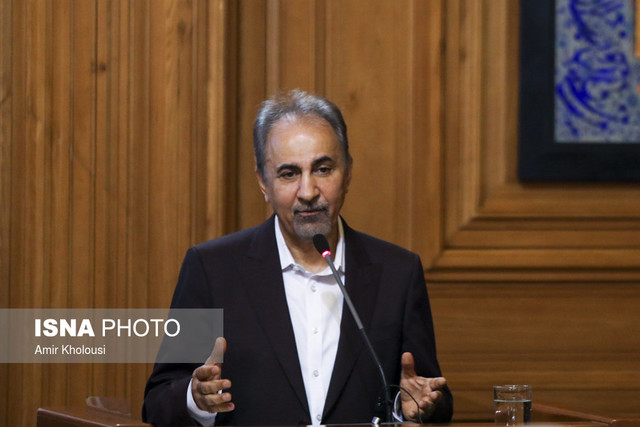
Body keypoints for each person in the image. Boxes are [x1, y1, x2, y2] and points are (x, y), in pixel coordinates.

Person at [143, 89, 453, 425]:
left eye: (323, 169)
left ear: (347, 172)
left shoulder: (398, 273)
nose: (308, 192)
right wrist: (195, 398)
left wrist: (415, 406)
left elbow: (429, 394)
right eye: (289, 174)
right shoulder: (212, 270)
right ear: (263, 182)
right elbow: (158, 400)